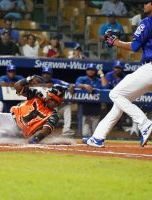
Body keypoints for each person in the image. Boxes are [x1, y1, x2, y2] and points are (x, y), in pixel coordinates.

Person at [84, 1, 152, 148]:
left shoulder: (147, 21)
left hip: (150, 69)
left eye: (147, 2)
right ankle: (98, 137)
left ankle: (144, 123)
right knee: (121, 102)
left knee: (115, 94)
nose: (144, 4)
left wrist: (116, 42)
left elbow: (134, 46)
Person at [40, 67, 75, 136]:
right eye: (44, 73)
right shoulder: (38, 81)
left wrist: (71, 86)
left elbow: (69, 85)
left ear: (51, 75)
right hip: (42, 109)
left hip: (54, 108)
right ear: (42, 74)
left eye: (48, 74)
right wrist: (43, 85)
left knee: (67, 107)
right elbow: (29, 85)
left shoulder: (56, 81)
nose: (46, 75)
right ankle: (43, 131)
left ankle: (66, 130)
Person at [75, 63, 108, 137]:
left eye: (92, 70)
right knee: (85, 133)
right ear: (86, 71)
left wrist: (102, 74)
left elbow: (105, 87)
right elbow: (76, 84)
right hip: (84, 110)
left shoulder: (98, 80)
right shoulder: (82, 79)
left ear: (95, 71)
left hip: (96, 109)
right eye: (89, 69)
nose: (90, 71)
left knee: (95, 133)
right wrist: (84, 85)